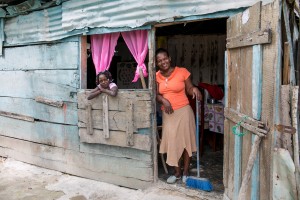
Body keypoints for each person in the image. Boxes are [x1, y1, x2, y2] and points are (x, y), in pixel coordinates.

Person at [155, 48, 201, 184]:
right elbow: (156, 95)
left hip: (184, 112)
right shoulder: (157, 76)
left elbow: (189, 88)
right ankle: (177, 173)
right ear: (157, 63)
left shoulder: (182, 72)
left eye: (164, 58)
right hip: (169, 114)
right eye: (159, 60)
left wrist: (195, 89)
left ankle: (186, 172)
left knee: (186, 142)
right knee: (172, 142)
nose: (163, 62)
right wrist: (163, 100)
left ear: (169, 58)